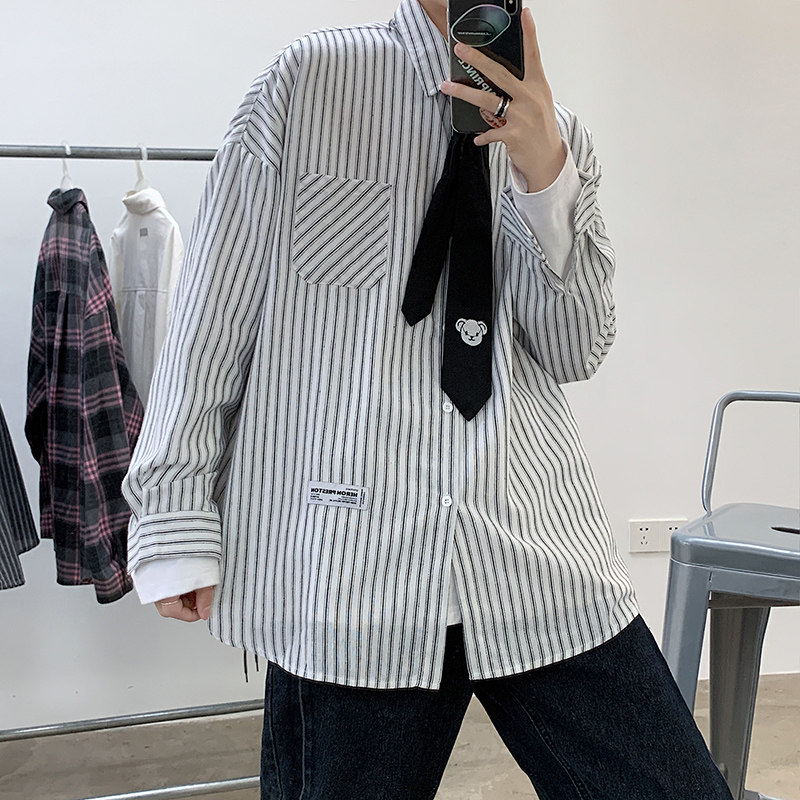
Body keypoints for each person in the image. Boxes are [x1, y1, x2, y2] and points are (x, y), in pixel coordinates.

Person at [122, 1, 735, 798]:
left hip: (535, 547)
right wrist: (172, 510)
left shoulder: (557, 137)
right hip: (351, 564)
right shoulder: (310, 83)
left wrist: (545, 176)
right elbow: (213, 311)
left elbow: (575, 348)